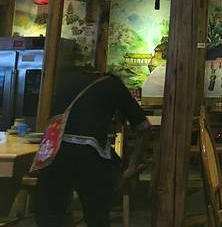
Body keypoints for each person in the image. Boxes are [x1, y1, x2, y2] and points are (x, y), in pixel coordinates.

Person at [36, 70, 150, 227]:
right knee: (97, 218)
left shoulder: (65, 79)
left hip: (55, 154)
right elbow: (143, 128)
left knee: (50, 218)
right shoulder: (113, 85)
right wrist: (132, 167)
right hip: (91, 158)